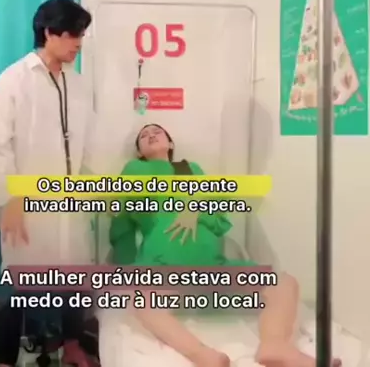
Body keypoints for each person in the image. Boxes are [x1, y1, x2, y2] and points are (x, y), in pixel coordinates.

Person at [107, 123, 342, 367]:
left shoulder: (189, 169)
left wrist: (195, 209)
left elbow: (220, 218)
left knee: (284, 283)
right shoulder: (134, 170)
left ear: (171, 143)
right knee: (142, 300)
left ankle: (274, 345)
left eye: (157, 131)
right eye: (144, 136)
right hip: (166, 270)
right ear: (139, 152)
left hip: (214, 268)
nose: (151, 135)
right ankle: (202, 355)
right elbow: (121, 223)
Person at [0, 0, 96, 367]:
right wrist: (11, 200)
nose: (79, 43)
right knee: (18, 283)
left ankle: (72, 345)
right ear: (49, 33)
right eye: (73, 34)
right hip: (27, 206)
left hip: (71, 203)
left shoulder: (79, 85)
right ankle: (5, 359)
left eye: (81, 35)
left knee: (74, 278)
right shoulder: (14, 79)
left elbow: (88, 145)